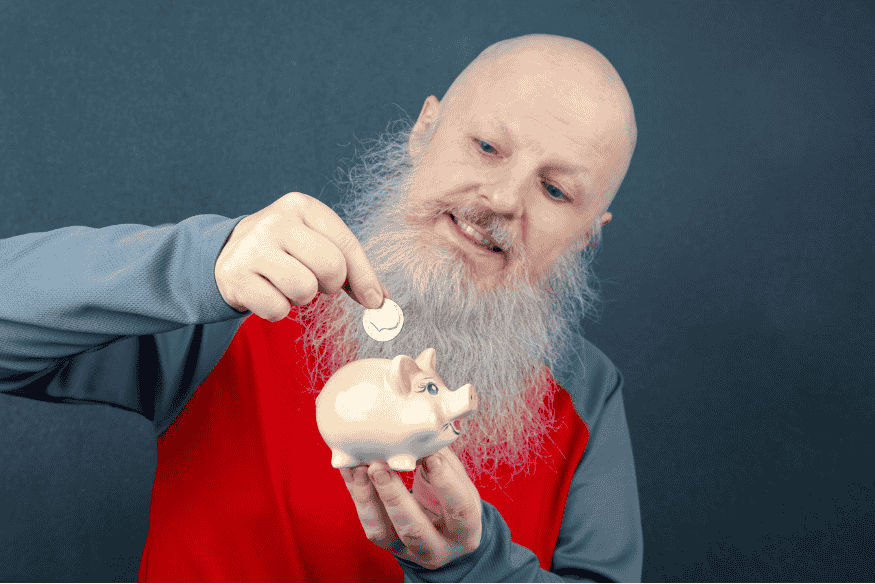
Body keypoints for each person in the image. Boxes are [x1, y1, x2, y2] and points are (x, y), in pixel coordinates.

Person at [0, 33, 641, 582]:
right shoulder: (250, 296)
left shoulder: (586, 390)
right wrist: (199, 263)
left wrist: (476, 566)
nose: (502, 198)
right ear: (426, 131)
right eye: (487, 148)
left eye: (556, 190)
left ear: (590, 229)